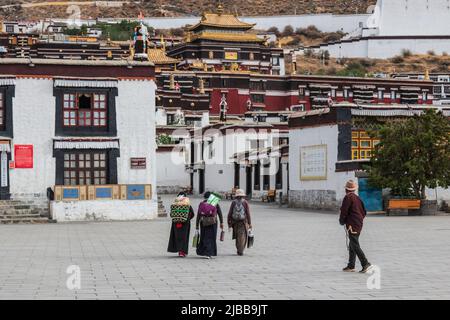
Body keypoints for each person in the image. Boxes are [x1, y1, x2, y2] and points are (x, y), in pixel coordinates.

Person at [339, 180, 372, 273]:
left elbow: (344, 212)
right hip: (358, 223)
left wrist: (342, 221)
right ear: (354, 189)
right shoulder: (358, 198)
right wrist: (359, 219)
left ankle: (365, 263)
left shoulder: (348, 198)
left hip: (352, 224)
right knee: (352, 243)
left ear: (346, 189)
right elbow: (364, 212)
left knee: (354, 244)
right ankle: (351, 265)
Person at [196, 191, 224, 259]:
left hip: (203, 223)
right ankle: (209, 253)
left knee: (204, 237)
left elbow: (199, 214)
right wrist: (221, 222)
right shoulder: (215, 203)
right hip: (213, 222)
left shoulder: (201, 204)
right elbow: (220, 213)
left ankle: (205, 252)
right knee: (212, 238)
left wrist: (197, 225)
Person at [167, 192, 195, 257]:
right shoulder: (187, 205)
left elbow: (171, 214)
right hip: (185, 224)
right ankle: (183, 252)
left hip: (175, 224)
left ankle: (179, 251)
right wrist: (186, 219)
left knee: (177, 237)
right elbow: (192, 214)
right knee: (184, 237)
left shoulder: (175, 205)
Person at [227, 189, 252, 256]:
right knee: (242, 237)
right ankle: (240, 251)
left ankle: (238, 249)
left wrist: (229, 224)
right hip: (243, 222)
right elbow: (248, 213)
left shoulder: (233, 202)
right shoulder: (245, 202)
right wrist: (250, 223)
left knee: (237, 236)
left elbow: (230, 213)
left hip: (234, 223)